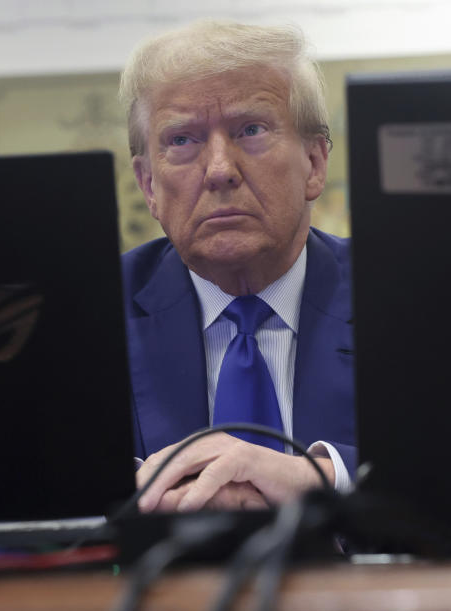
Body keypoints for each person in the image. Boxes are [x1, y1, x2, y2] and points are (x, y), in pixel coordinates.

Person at [119, 20, 355, 513]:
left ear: (314, 163)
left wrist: (321, 476)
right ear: (148, 186)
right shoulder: (89, 310)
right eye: (182, 140)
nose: (220, 169)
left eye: (251, 130)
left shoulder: (402, 294)